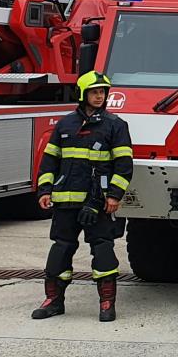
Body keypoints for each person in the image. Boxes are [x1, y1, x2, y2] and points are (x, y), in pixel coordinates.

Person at [31, 71, 133, 323]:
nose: (100, 96)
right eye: (94, 92)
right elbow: (49, 161)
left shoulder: (116, 125)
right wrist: (45, 190)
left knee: (103, 250)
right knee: (61, 249)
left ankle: (107, 303)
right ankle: (53, 301)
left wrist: (115, 196)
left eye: (103, 92)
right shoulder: (64, 125)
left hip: (97, 203)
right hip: (65, 201)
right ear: (82, 94)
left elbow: (123, 165)